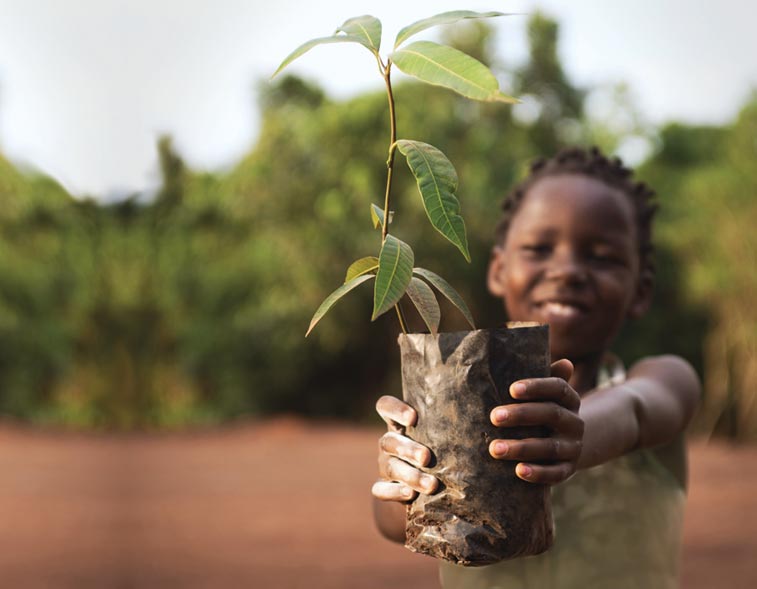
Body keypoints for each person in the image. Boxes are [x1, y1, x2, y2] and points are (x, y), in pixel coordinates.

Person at [371, 147, 701, 588]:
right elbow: (392, 523)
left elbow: (636, 408)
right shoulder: (449, 406)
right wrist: (404, 476)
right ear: (498, 270)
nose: (566, 270)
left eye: (601, 256)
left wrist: (571, 434)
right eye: (539, 248)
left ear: (641, 289)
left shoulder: (662, 381)